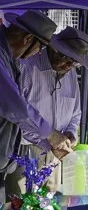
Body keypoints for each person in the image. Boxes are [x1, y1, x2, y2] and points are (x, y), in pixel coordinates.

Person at [0, 13, 64, 200]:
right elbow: (17, 109)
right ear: (28, 38)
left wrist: (48, 142)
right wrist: (51, 135)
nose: (39, 53)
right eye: (41, 47)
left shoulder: (8, 58)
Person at [20, 26, 88, 182]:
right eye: (67, 59)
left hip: (57, 153)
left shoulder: (70, 72)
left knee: (53, 203)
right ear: (54, 49)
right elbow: (19, 114)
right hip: (25, 151)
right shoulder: (27, 66)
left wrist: (70, 133)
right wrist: (50, 138)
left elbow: (75, 113)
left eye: (75, 63)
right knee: (21, 203)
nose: (69, 66)